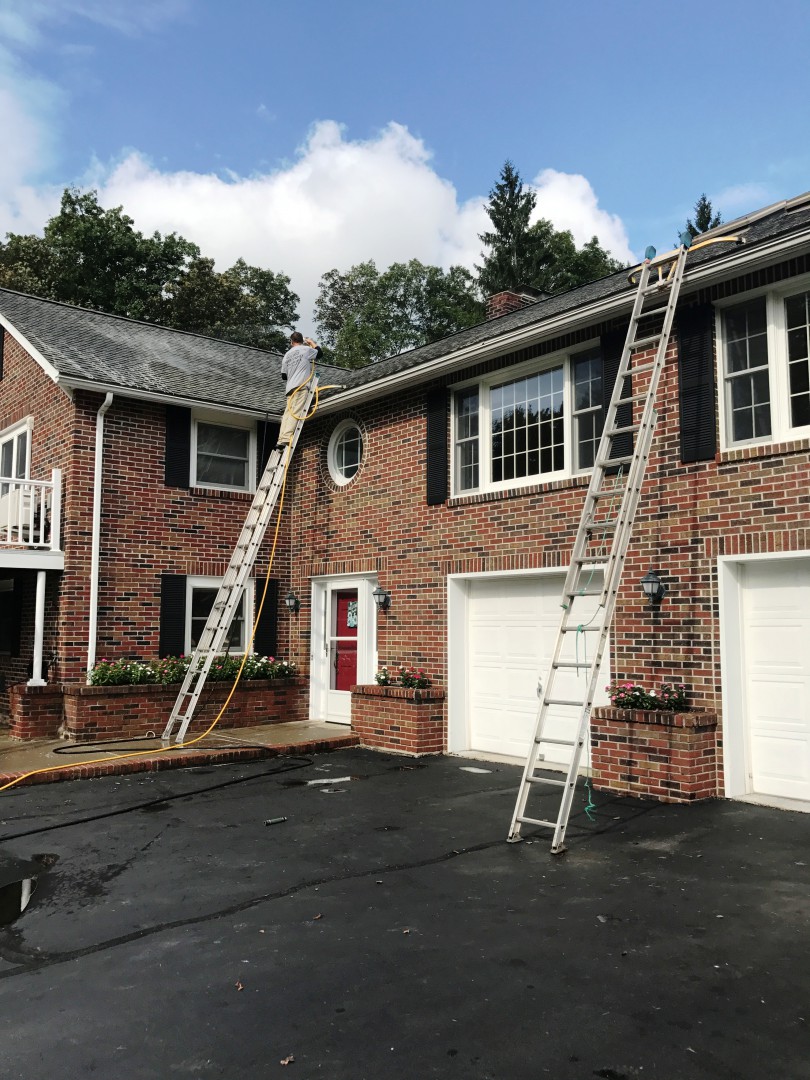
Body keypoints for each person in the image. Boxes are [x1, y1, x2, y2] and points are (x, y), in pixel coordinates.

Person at [276, 331, 322, 450]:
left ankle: (280, 439)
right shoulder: (306, 350)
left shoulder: (287, 355)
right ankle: (286, 438)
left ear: (291, 342)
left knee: (287, 414)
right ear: (302, 341)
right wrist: (311, 342)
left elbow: (284, 376)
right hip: (301, 386)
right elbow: (320, 353)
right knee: (295, 412)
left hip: (290, 388)